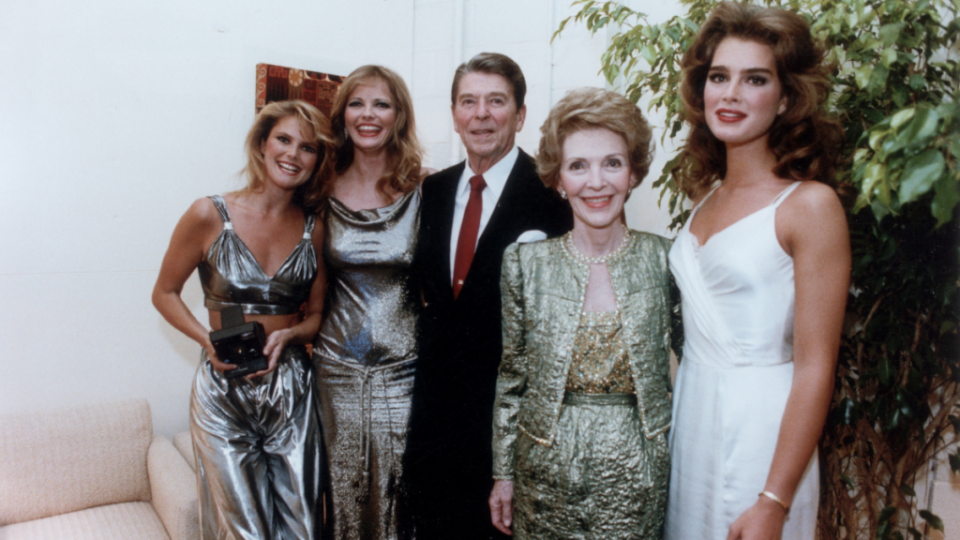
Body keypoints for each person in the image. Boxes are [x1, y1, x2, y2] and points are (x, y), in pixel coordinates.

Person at [664, 3, 850, 540]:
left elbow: (816, 367)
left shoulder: (810, 206)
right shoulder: (704, 200)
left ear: (787, 96)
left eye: (755, 79)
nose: (731, 94)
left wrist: (774, 500)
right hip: (692, 421)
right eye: (719, 77)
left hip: (764, 441)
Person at [488, 87, 681, 539]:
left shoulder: (667, 261)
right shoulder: (524, 263)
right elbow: (512, 378)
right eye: (578, 166)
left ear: (632, 173)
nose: (596, 182)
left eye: (612, 163)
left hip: (640, 473)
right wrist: (503, 473)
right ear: (558, 179)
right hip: (543, 474)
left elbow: (698, 363)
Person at [403, 52, 573, 540]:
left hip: (507, 434)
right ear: (455, 114)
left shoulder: (554, 198)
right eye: (468, 101)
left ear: (520, 115)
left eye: (496, 101)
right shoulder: (431, 192)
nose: (481, 114)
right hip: (435, 427)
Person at [152, 100, 331, 540]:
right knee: (243, 530)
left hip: (291, 388)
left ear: (317, 160)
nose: (293, 154)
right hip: (224, 385)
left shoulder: (315, 227)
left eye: (307, 148)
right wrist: (206, 340)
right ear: (262, 144)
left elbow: (318, 316)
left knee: (303, 525)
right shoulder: (209, 214)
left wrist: (291, 334)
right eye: (283, 140)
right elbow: (164, 293)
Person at [311, 64, 423, 540]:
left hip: (406, 369)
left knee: (404, 494)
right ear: (343, 115)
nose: (368, 115)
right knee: (342, 493)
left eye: (381, 104)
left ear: (398, 115)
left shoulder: (426, 188)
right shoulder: (318, 190)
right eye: (357, 103)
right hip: (336, 368)